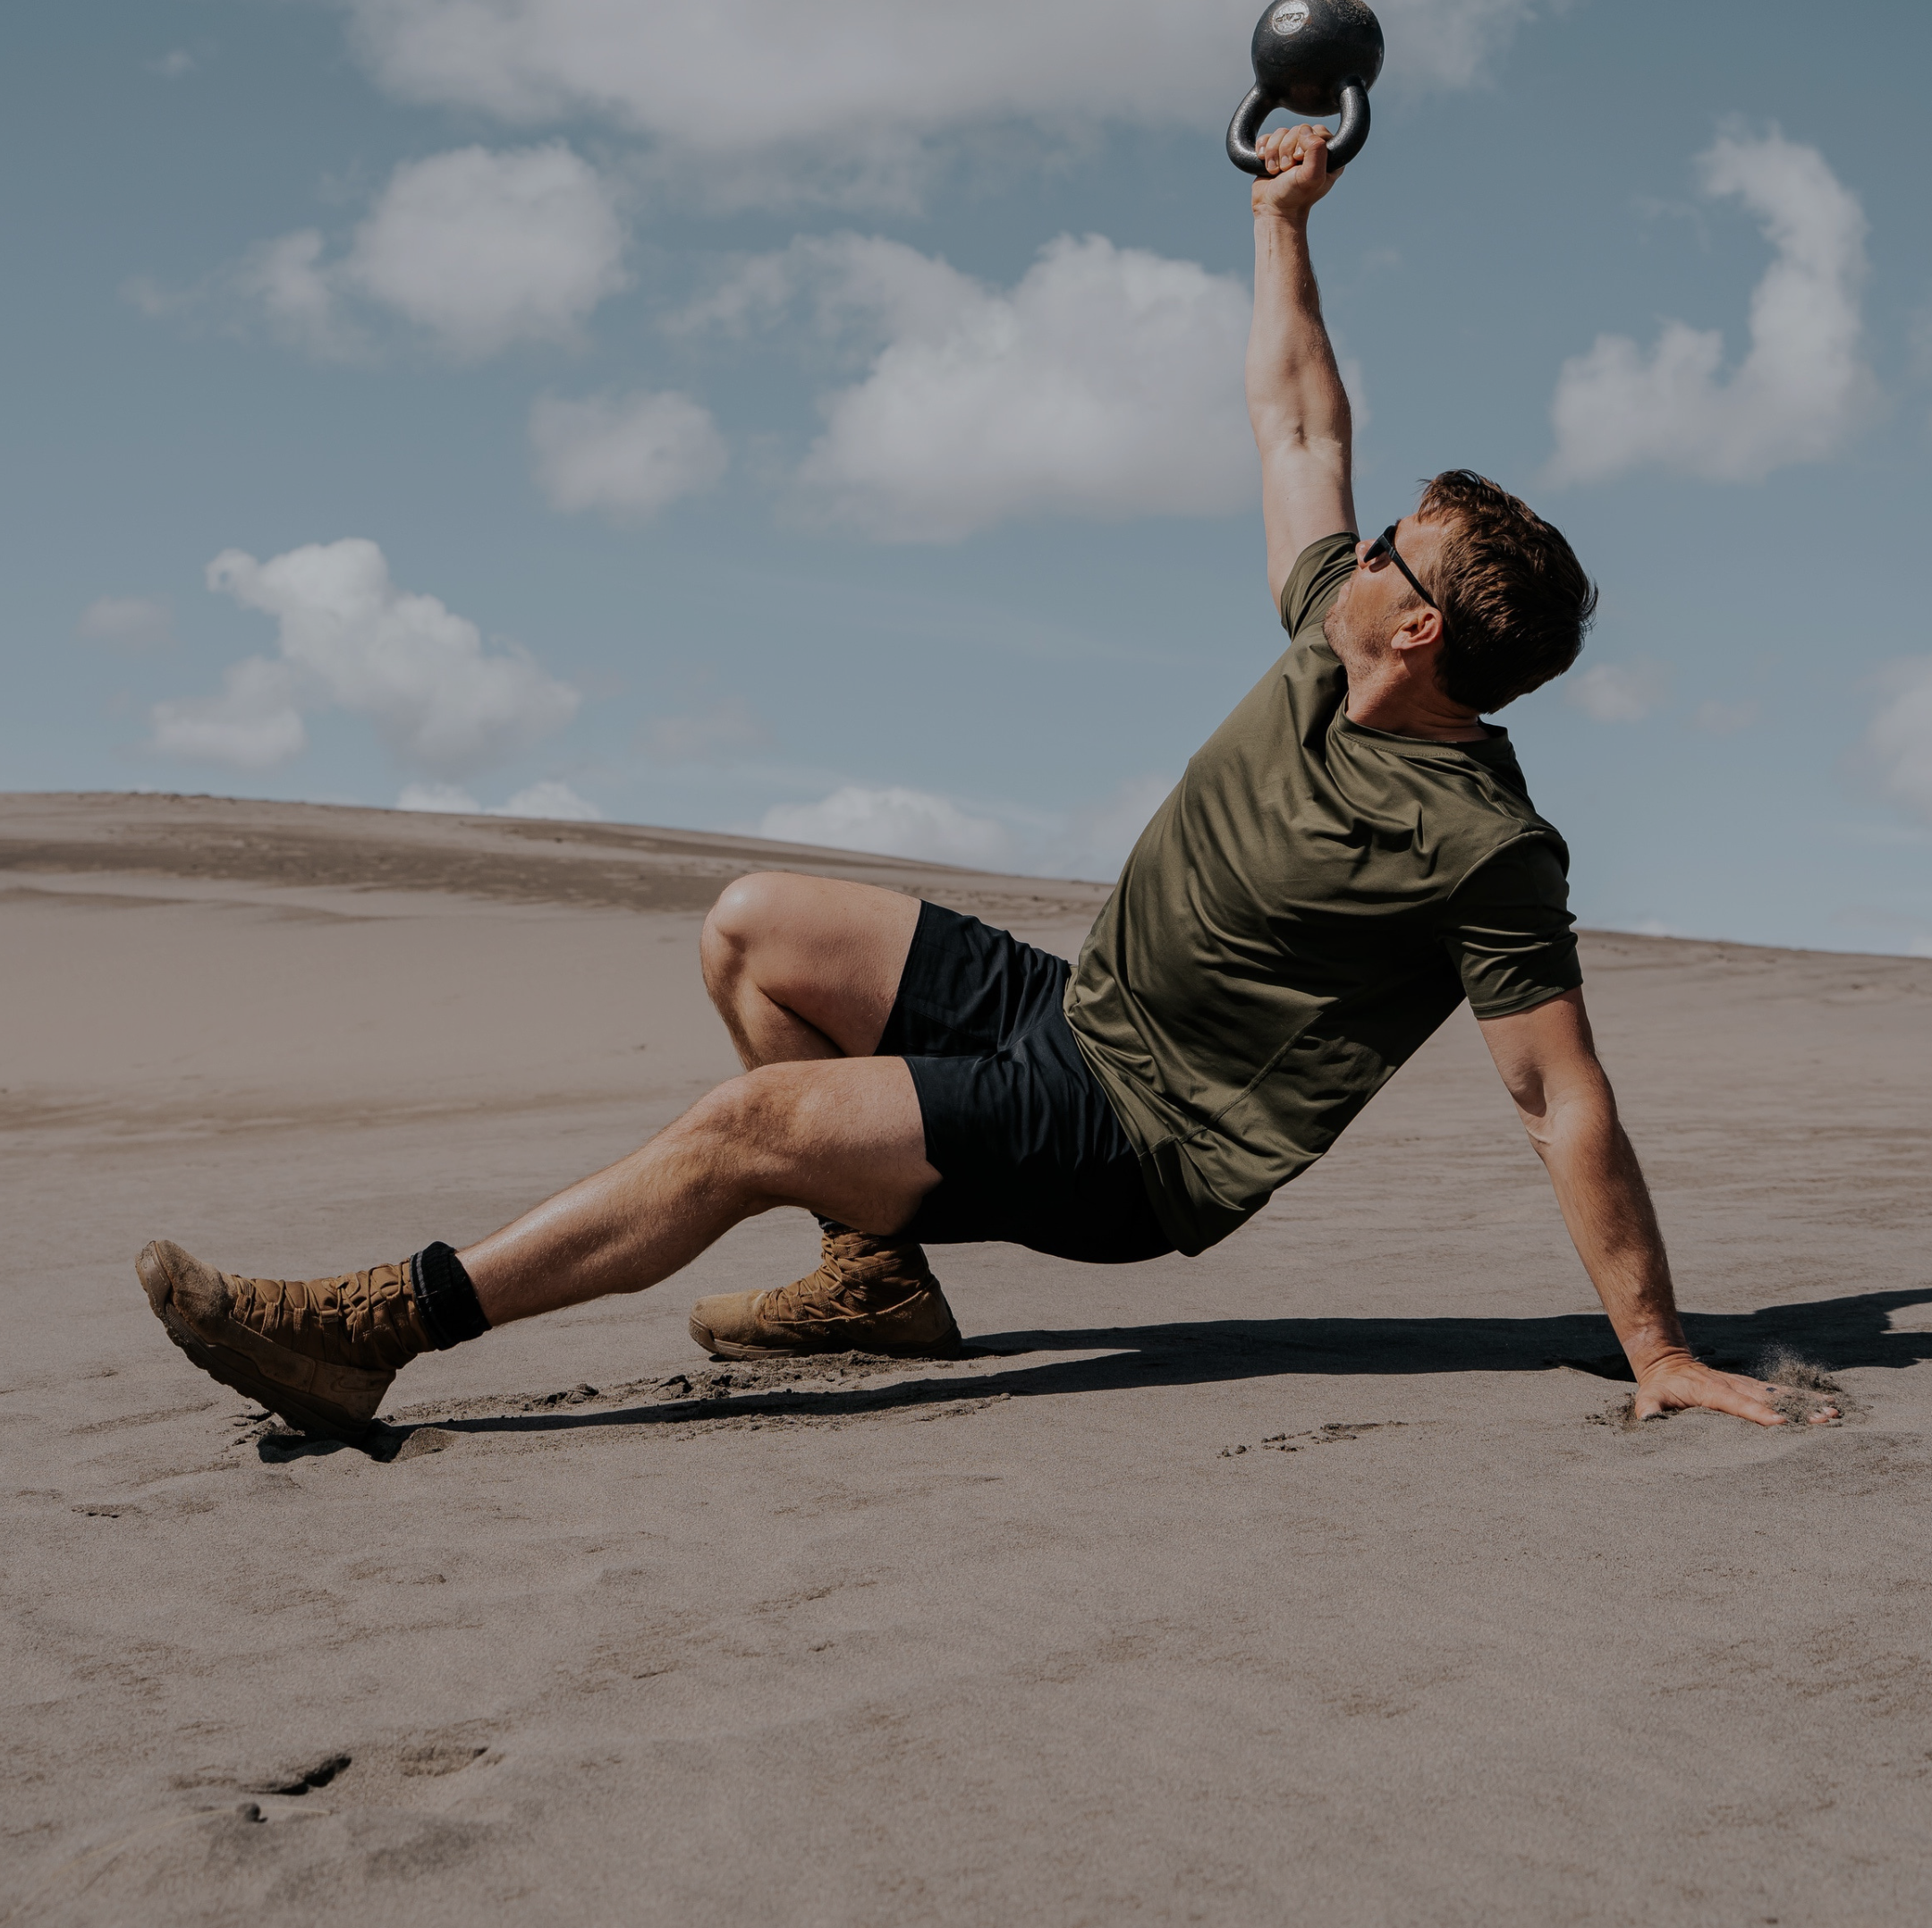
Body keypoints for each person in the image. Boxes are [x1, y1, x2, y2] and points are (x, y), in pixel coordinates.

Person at [137, 124, 1828, 1442]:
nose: (1360, 540)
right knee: (752, 933)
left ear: (1419, 624)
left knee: (753, 1129)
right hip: (1069, 1010)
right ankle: (878, 1279)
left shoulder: (1485, 847)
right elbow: (1296, 425)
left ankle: (380, 1331)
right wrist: (1281, 227)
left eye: (1393, 549)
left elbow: (1560, 1103)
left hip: (1135, 1144)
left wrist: (1659, 1346)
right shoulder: (1335, 632)